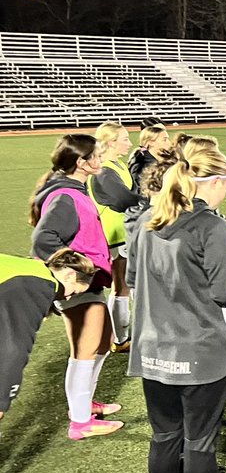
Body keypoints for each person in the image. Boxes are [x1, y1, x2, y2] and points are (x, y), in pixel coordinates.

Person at [126, 147, 226, 473]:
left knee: (165, 436)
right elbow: (222, 292)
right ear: (214, 182)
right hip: (199, 350)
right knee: (199, 441)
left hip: (151, 349)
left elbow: (131, 276)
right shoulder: (209, 226)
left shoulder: (147, 218)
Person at [30, 134, 124, 440]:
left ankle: (83, 406)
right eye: (95, 155)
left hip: (89, 282)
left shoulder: (69, 189)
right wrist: (75, 274)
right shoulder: (65, 196)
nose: (101, 158)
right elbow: (44, 240)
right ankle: (80, 422)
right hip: (79, 286)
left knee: (101, 342)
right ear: (81, 163)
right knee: (85, 350)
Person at [0, 249, 97, 473]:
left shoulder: (29, 268)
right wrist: (4, 392)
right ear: (67, 274)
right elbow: (14, 347)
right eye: (73, 291)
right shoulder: (40, 285)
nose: (66, 298)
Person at [88, 122, 141, 350]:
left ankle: (123, 337)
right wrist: (151, 201)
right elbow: (123, 200)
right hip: (116, 235)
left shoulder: (115, 165)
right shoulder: (104, 170)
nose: (129, 143)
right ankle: (121, 339)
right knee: (122, 287)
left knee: (126, 286)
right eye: (125, 138)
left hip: (123, 232)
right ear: (111, 143)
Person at [128, 124, 173, 194]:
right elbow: (141, 192)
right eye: (164, 140)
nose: (169, 143)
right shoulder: (143, 165)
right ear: (151, 143)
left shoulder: (160, 160)